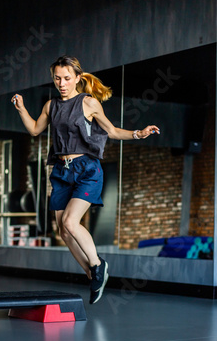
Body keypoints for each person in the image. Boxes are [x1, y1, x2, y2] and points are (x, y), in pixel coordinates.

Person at [11, 55, 160, 304]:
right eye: (57, 78)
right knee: (64, 232)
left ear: (78, 78)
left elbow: (111, 131)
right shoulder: (51, 106)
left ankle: (98, 264)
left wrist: (138, 133)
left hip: (86, 170)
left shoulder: (88, 103)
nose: (62, 83)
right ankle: (93, 274)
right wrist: (21, 109)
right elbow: (35, 130)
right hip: (61, 170)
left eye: (67, 78)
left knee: (70, 221)